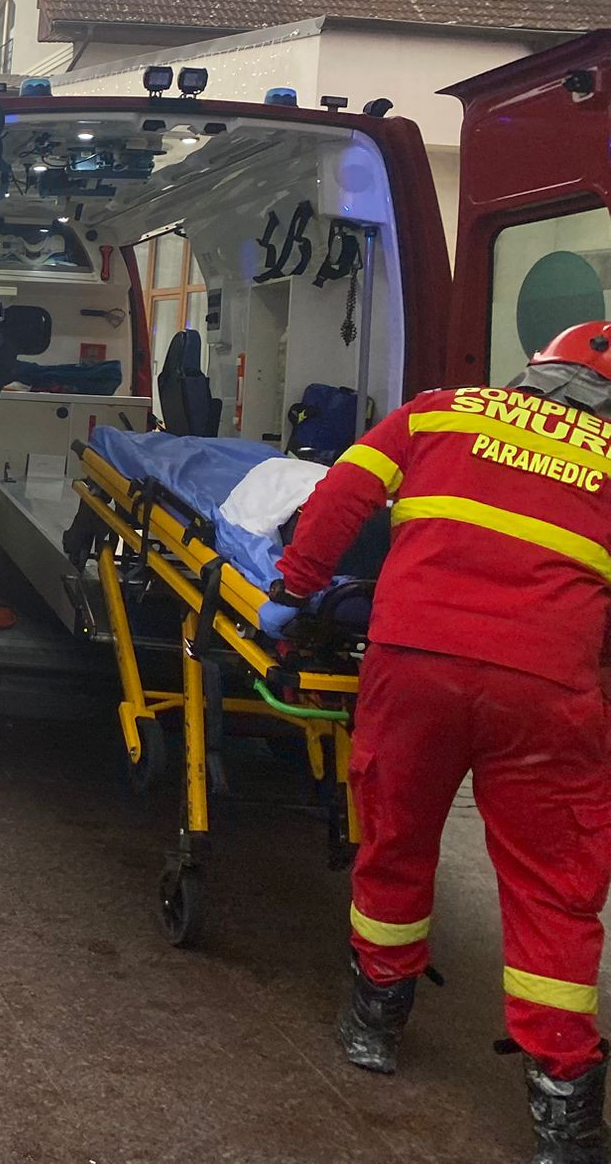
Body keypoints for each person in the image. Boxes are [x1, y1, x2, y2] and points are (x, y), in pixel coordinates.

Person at [263, 323, 611, 1164]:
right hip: (548, 689)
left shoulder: (439, 412)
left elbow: (343, 494)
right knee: (554, 888)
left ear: (533, 374)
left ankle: (374, 1021)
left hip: (415, 663)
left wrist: (294, 589)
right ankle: (564, 1112)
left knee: (397, 835)